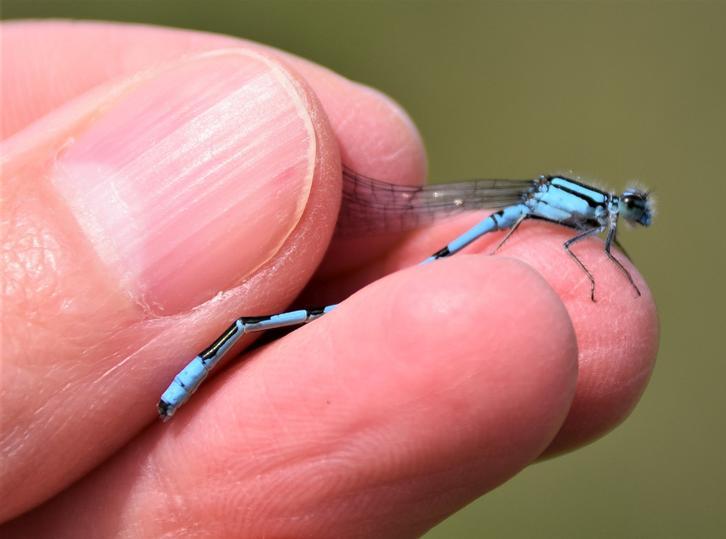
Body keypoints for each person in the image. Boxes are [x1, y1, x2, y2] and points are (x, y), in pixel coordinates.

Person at [0, 21, 658, 537]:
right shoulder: (576, 217)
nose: (616, 218)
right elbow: (571, 245)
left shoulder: (583, 213)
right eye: (618, 213)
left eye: (620, 215)